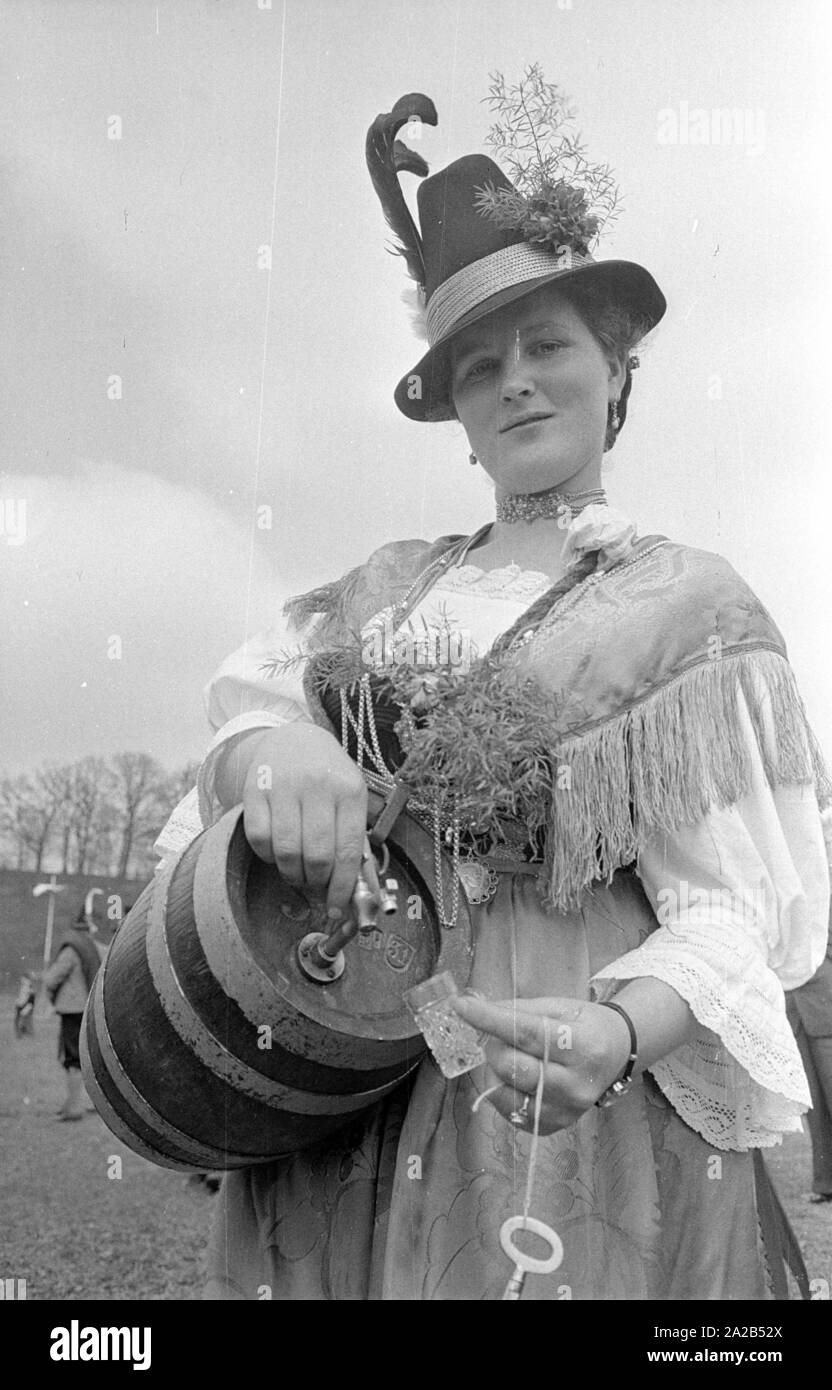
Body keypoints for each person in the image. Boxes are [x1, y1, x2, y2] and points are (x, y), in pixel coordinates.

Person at [155, 83, 830, 1300]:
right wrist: (271, 760)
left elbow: (737, 915)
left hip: (554, 1119)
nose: (514, 381)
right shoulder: (381, 591)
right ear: (456, 415)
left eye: (548, 346)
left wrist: (618, 1034)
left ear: (617, 373)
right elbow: (228, 746)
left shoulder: (687, 610)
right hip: (347, 1087)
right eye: (478, 364)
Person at [786, 809, 832, 1203]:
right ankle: (825, 1183)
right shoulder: (781, 880)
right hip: (794, 1007)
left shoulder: (824, 881)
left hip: (825, 1003)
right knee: (814, 1103)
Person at [43, 901, 106, 1121]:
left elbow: (52, 979)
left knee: (72, 1059)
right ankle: (84, 1103)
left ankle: (73, 1107)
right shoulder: (96, 947)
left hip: (72, 1010)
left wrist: (51, 995)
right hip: (89, 1009)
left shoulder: (72, 947)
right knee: (87, 1057)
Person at [13, 972, 37, 1038]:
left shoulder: (29, 987)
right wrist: (17, 1002)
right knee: (20, 1021)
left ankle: (24, 1035)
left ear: (26, 978)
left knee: (24, 1022)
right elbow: (22, 997)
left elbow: (31, 1000)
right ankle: (21, 1035)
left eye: (23, 978)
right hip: (20, 1006)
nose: (21, 979)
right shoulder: (23, 986)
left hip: (25, 1006)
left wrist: (27, 1008)